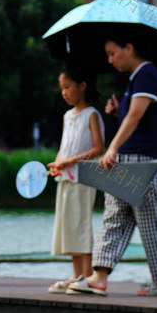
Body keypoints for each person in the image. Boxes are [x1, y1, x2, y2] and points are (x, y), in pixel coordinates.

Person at [68, 34, 157, 297]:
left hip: (146, 161)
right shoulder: (136, 79)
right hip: (129, 159)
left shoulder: (147, 74)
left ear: (130, 47)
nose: (110, 59)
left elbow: (136, 116)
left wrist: (112, 147)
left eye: (113, 52)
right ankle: (99, 277)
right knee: (115, 217)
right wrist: (118, 112)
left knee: (149, 224)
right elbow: (135, 115)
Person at [45, 64, 105, 293]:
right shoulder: (67, 116)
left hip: (84, 178)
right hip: (66, 178)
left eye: (68, 87)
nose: (64, 92)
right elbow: (63, 148)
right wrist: (58, 163)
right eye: (62, 88)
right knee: (68, 224)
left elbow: (99, 148)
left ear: (82, 86)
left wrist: (71, 161)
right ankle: (76, 274)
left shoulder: (92, 114)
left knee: (81, 224)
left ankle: (88, 275)